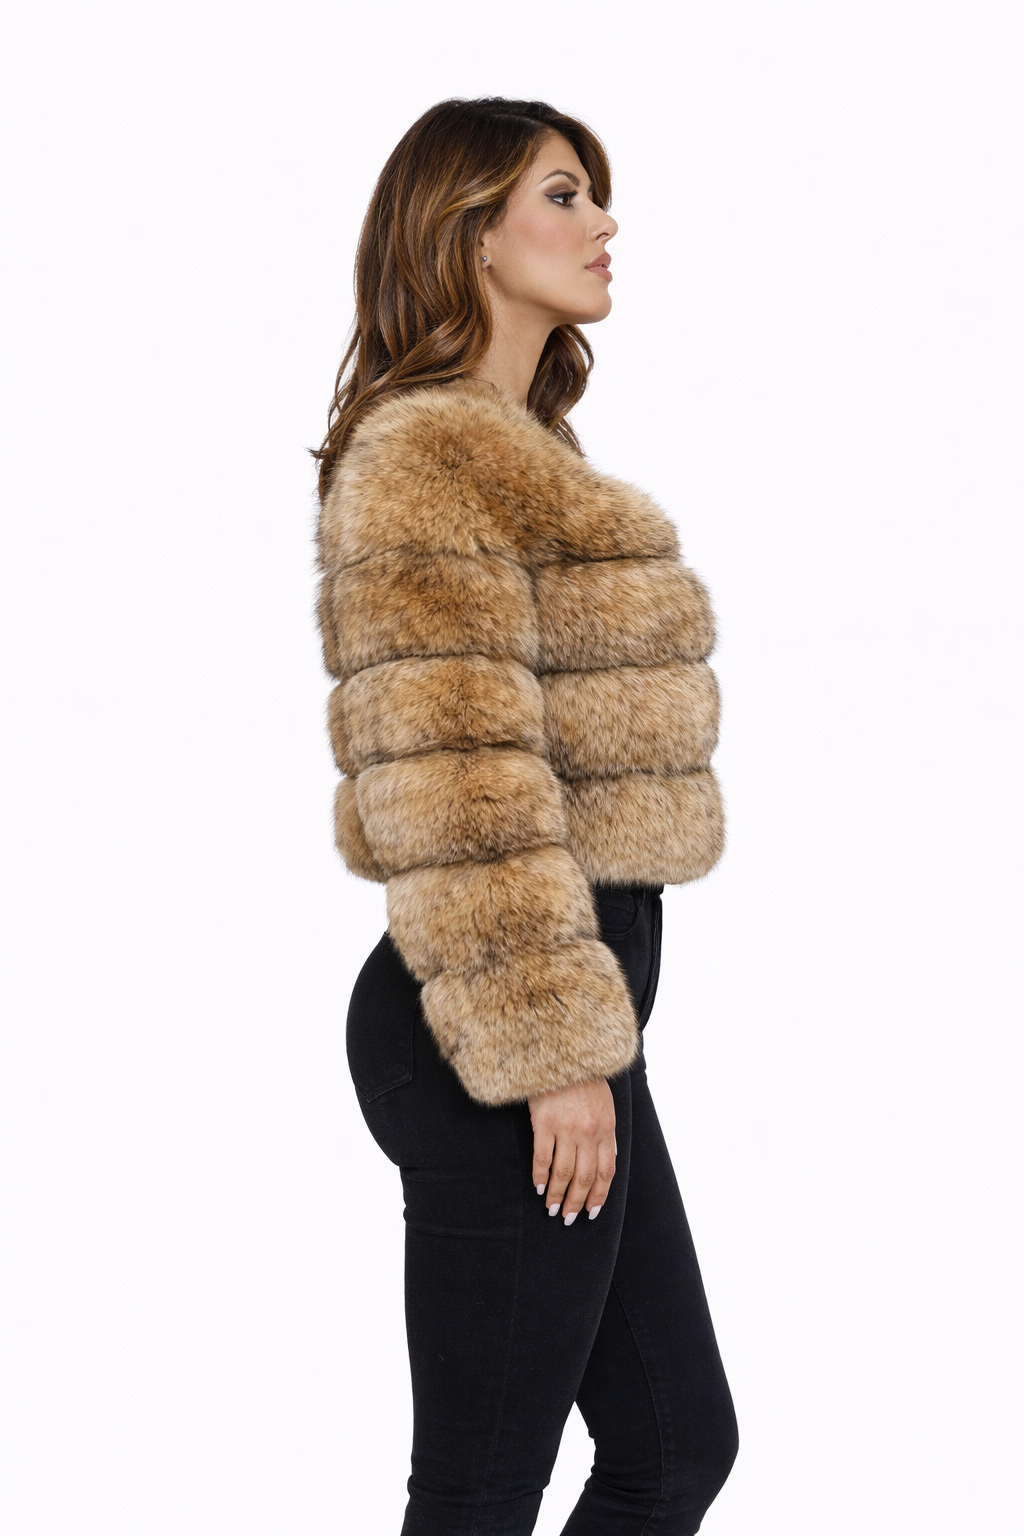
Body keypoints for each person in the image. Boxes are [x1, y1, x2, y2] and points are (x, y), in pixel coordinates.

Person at [313, 96, 739, 1536]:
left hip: (570, 1005)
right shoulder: (426, 459)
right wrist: (551, 1053)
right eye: (564, 194)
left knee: (675, 1446)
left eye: (595, 194)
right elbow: (453, 776)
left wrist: (579, 1040)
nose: (603, 221)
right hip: (500, 1022)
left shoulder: (526, 448)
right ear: (471, 233)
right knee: (483, 1492)